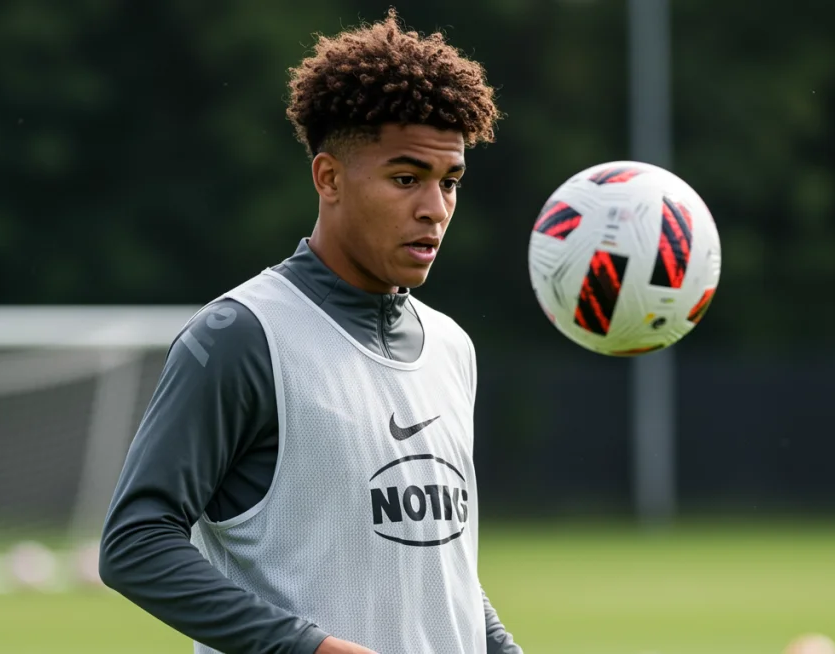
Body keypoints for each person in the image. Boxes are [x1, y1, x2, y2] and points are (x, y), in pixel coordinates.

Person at [99, 9, 520, 654]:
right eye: (406, 179)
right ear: (329, 178)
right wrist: (308, 648)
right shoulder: (241, 338)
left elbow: (443, 571)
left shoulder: (450, 347)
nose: (434, 209)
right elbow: (136, 542)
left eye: (450, 182)